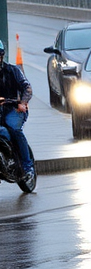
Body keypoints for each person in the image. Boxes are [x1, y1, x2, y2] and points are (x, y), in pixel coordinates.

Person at [0, 40, 36, 187]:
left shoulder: (12, 70)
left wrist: (23, 103)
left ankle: (28, 168)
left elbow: (27, 88)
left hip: (13, 109)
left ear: (2, 55)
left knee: (14, 128)